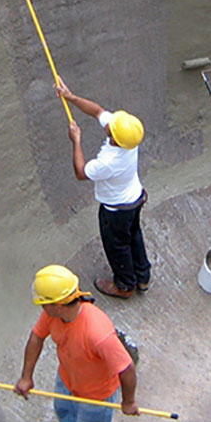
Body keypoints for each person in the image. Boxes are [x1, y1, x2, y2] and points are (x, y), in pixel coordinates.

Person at [54, 79, 151, 299]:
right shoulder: (129, 138)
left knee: (117, 246)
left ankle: (125, 285)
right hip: (135, 199)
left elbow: (81, 172)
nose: (108, 124)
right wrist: (71, 97)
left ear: (115, 138)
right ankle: (143, 276)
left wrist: (76, 140)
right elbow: (97, 111)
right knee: (134, 235)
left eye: (112, 128)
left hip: (116, 211)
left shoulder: (109, 161)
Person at [15, 265, 140, 422]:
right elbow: (36, 338)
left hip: (96, 398)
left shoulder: (98, 334)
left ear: (58, 306)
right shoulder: (52, 314)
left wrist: (128, 402)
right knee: (65, 417)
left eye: (43, 304)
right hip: (66, 382)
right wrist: (26, 377)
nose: (42, 308)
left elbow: (126, 368)